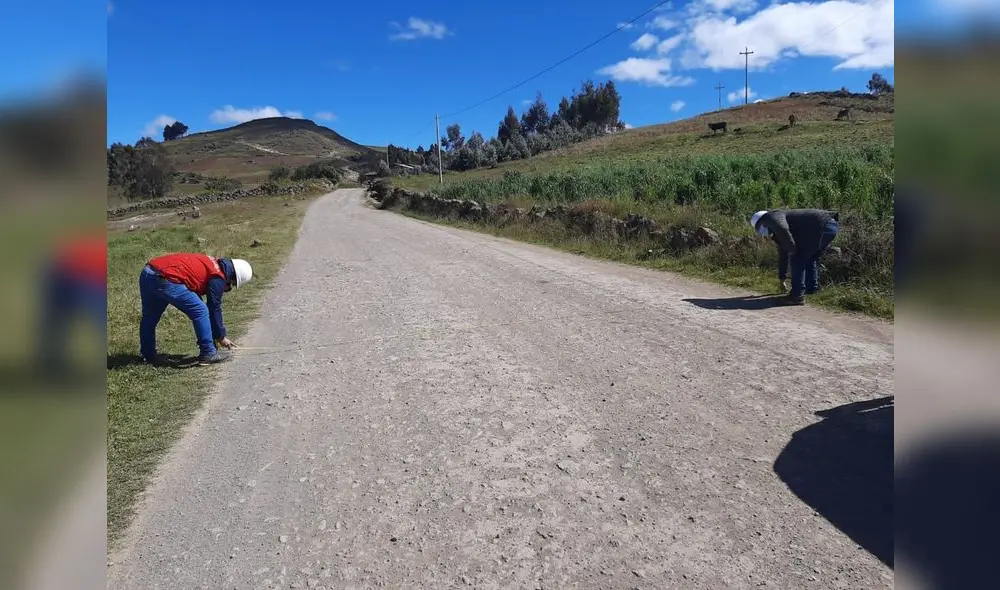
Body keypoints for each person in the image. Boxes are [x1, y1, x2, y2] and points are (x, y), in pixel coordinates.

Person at [139, 252, 252, 365]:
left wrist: (216, 334)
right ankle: (208, 353)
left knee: (149, 318)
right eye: (231, 284)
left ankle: (148, 356)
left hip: (148, 273)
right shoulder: (218, 276)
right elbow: (214, 307)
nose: (228, 288)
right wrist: (221, 336)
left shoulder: (211, 263)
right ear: (232, 277)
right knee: (201, 310)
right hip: (166, 278)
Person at [750, 208, 839, 305]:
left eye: (759, 228)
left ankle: (797, 296)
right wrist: (782, 278)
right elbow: (783, 254)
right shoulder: (779, 229)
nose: (762, 233)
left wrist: (793, 250)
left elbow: (782, 229)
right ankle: (811, 289)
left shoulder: (771, 216)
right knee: (810, 257)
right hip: (830, 226)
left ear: (762, 222)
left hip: (822, 224)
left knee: (797, 258)